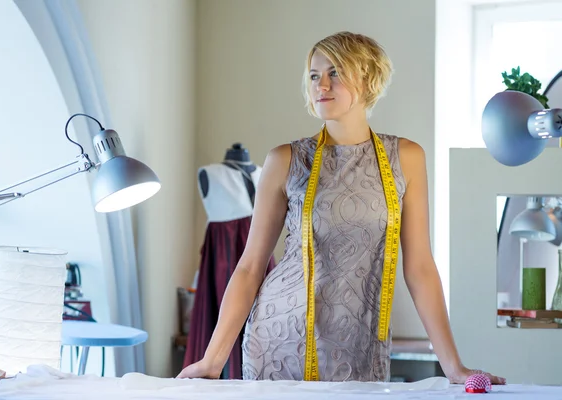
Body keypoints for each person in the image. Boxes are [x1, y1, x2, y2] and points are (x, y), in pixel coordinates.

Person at [178, 31, 506, 385]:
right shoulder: (286, 160)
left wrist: (454, 367)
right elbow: (251, 266)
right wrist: (212, 360)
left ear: (367, 78)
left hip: (361, 340)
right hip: (280, 336)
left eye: (335, 72)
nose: (322, 85)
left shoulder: (406, 158)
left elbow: (420, 267)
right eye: (315, 75)